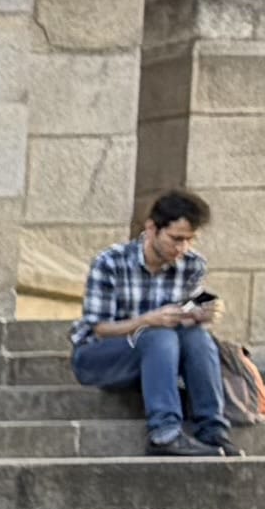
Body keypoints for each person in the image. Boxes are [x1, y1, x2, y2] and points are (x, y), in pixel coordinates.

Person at [72, 187, 231, 455]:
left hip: (160, 359)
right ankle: (164, 432)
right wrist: (147, 320)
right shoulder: (110, 262)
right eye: (176, 239)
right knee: (158, 334)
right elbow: (99, 328)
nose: (182, 248)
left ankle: (213, 430)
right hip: (100, 356)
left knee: (198, 337)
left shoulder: (192, 265)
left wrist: (201, 312)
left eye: (190, 240)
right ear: (151, 228)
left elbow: (186, 314)